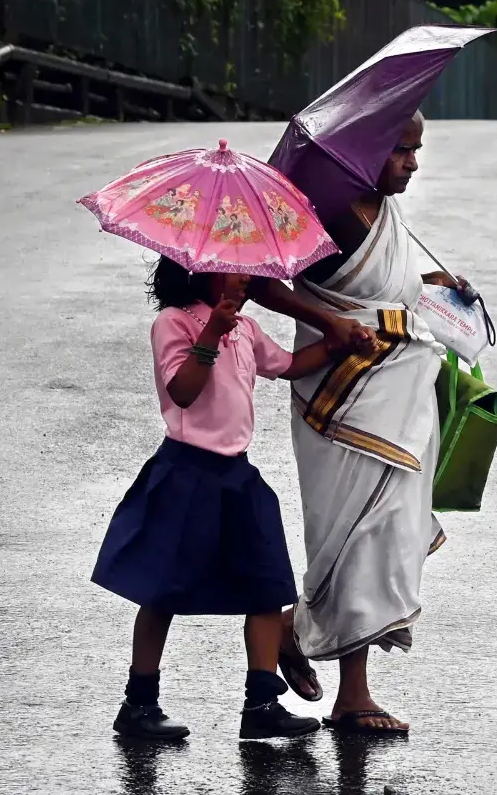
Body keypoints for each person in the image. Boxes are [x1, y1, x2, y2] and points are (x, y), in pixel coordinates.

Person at [250, 111, 466, 734]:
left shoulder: (384, 214)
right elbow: (262, 282)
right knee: (352, 532)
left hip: (400, 395)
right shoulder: (331, 212)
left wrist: (435, 284)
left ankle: (295, 631)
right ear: (369, 148)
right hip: (342, 397)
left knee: (386, 533)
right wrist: (328, 323)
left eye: (416, 150)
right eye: (401, 149)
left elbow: (384, 290)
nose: (413, 163)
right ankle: (353, 694)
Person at [92, 258, 358, 741]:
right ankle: (138, 704)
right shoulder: (174, 322)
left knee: (268, 587)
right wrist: (212, 333)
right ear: (201, 272)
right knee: (162, 592)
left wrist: (336, 343)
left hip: (237, 475)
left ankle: (261, 704)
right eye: (234, 269)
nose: (245, 277)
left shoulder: (247, 329)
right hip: (185, 472)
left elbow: (289, 365)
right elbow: (183, 392)